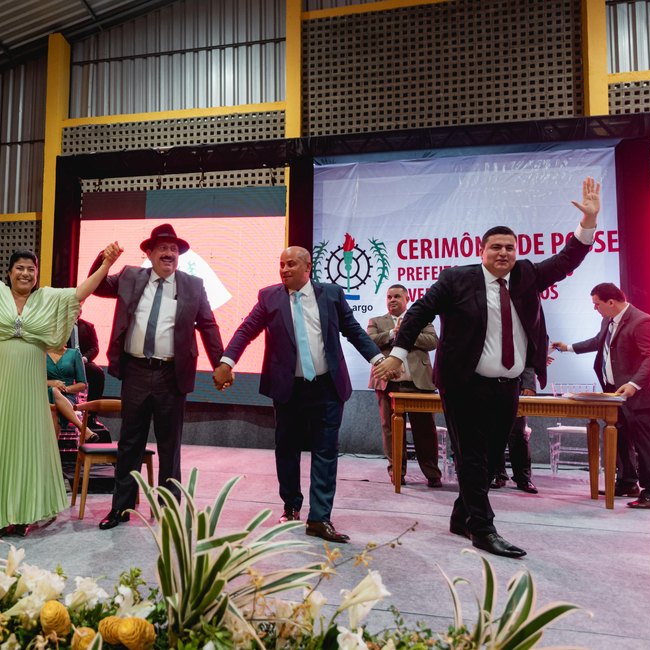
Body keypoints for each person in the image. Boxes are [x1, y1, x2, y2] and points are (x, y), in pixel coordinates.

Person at [373, 177, 601, 558]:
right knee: (473, 457)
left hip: (508, 385)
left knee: (494, 458)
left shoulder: (527, 276)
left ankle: (461, 515)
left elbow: (566, 261)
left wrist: (588, 222)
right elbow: (417, 314)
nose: (503, 253)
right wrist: (396, 353)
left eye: (510, 247)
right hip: (465, 384)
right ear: (482, 251)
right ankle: (483, 527)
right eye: (496, 247)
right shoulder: (456, 279)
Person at [0, 207, 122, 535]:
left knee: (24, 449)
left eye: (31, 269)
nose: (26, 273)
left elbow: (79, 292)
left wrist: (106, 266)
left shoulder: (45, 300)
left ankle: (23, 512)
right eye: (20, 268)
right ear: (9, 272)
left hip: (29, 389)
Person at [215, 246, 385, 544]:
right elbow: (246, 330)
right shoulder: (269, 297)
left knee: (325, 451)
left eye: (291, 264)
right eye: (281, 264)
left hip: (327, 386)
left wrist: (378, 360)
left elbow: (354, 331)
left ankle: (319, 518)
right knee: (287, 449)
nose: (284, 270)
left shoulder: (331, 294)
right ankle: (291, 505)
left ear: (308, 267)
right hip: (288, 388)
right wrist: (227, 362)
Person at [89, 223, 225, 531]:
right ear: (148, 254)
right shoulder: (129, 277)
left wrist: (221, 364)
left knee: (169, 446)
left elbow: (208, 326)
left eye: (174, 250)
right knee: (130, 444)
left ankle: (168, 512)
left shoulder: (192, 285)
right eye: (163, 248)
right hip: (136, 371)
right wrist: (104, 259)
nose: (169, 253)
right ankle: (121, 509)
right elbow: (96, 285)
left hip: (170, 374)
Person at [551, 282, 650, 509]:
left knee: (645, 444)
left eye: (597, 304)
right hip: (615, 394)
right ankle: (627, 483)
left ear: (611, 302)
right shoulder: (609, 320)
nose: (595, 309)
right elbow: (598, 342)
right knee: (621, 439)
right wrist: (567, 347)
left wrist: (634, 384)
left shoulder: (642, 321)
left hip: (640, 394)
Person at [367, 284, 442, 488]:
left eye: (397, 296)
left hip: (419, 385)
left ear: (407, 299)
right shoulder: (376, 321)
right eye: (389, 296)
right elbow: (369, 341)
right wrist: (392, 333)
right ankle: (397, 472)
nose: (392, 300)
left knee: (425, 431)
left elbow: (433, 341)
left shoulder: (421, 318)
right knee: (390, 431)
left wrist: (407, 332)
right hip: (388, 385)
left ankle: (432, 473)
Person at [490, 366, 539, 494]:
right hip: (487, 382)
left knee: (518, 433)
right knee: (492, 432)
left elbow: (527, 359)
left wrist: (529, 384)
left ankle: (523, 477)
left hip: (515, 383)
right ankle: (497, 474)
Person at [47, 343, 87, 433]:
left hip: (68, 396)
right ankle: (82, 427)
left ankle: (53, 446)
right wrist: (50, 383)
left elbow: (82, 385)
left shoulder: (74, 354)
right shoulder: (41, 354)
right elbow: (34, 379)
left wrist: (65, 389)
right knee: (53, 391)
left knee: (54, 402)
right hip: (44, 394)